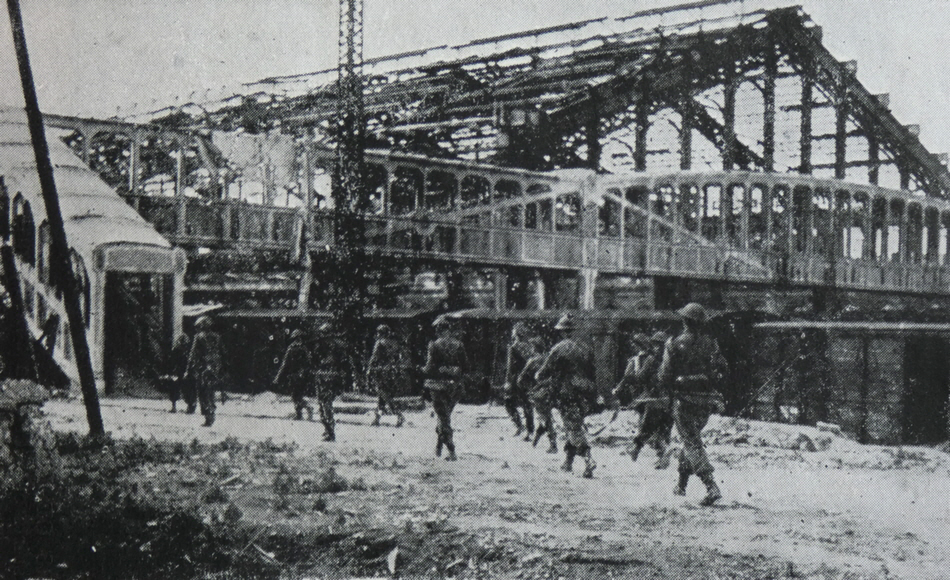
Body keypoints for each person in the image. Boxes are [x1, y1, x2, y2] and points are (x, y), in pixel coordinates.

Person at [658, 303, 728, 506]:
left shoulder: (673, 343)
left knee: (691, 443)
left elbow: (664, 375)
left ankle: (711, 486)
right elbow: (723, 368)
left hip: (684, 401)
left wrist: (669, 389)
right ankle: (681, 485)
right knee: (690, 439)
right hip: (705, 402)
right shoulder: (711, 344)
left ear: (684, 321)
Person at [536, 313, 597, 478]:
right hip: (585, 393)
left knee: (573, 427)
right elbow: (593, 372)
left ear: (562, 331)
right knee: (574, 423)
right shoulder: (585, 348)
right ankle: (568, 462)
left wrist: (539, 376)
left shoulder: (559, 348)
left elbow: (543, 372)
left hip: (566, 393)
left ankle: (589, 459)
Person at [422, 315, 468, 461]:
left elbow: (430, 367)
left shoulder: (434, 345)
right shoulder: (459, 345)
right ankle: (438, 448)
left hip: (438, 386)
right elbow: (466, 366)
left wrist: (421, 370)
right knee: (444, 417)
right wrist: (454, 370)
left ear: (438, 330)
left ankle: (452, 451)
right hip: (455, 387)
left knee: (443, 419)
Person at [628, 331, 675, 469]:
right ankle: (662, 457)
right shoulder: (672, 360)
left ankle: (636, 449)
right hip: (669, 400)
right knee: (664, 429)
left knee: (647, 427)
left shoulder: (651, 359)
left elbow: (640, 377)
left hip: (653, 399)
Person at [311, 321, 354, 442]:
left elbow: (314, 360)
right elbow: (346, 362)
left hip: (324, 377)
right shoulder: (340, 345)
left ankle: (329, 430)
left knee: (324, 404)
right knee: (326, 404)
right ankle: (328, 429)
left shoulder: (322, 345)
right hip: (335, 377)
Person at [185, 316, 223, 427]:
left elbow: (192, 354)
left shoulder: (199, 337)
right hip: (215, 368)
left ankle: (208, 416)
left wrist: (188, 369)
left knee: (203, 392)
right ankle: (211, 413)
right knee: (211, 391)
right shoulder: (217, 337)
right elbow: (222, 352)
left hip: (202, 369)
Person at [366, 324, 408, 428]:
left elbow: (374, 357)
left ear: (380, 333)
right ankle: (377, 418)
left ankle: (398, 414)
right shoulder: (394, 343)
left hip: (380, 371)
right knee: (382, 395)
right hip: (391, 371)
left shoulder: (379, 343)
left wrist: (369, 369)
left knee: (383, 393)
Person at [521, 338, 557, 453]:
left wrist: (529, 388)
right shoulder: (548, 359)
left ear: (534, 348)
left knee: (545, 418)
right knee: (544, 416)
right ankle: (535, 441)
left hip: (537, 393)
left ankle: (553, 445)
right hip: (550, 392)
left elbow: (520, 379)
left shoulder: (532, 361)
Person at [503, 322, 535, 439]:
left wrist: (507, 382)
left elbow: (510, 367)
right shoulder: (531, 347)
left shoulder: (513, 348)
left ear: (515, 334)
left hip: (516, 379)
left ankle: (520, 426)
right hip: (528, 378)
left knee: (508, 402)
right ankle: (530, 431)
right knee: (527, 405)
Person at [273, 329, 314, 421]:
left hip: (294, 375)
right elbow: (308, 363)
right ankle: (300, 413)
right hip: (302, 375)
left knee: (295, 395)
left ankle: (304, 410)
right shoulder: (304, 348)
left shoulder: (292, 348)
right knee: (297, 395)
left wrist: (278, 377)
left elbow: (285, 364)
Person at [161, 333, 193, 414]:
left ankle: (183, 407)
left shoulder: (184, 351)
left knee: (182, 389)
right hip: (180, 372)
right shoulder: (182, 351)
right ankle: (179, 407)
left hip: (182, 372)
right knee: (178, 389)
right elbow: (172, 362)